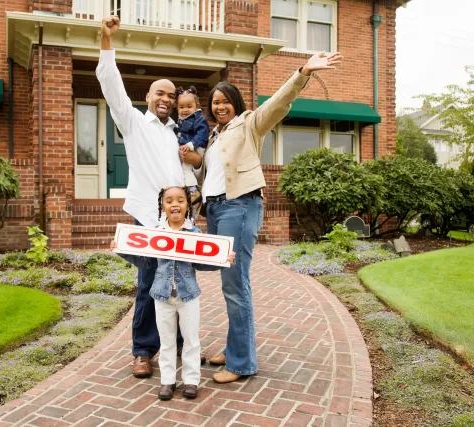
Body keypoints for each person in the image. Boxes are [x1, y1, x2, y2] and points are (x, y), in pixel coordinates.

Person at [182, 51, 344, 384]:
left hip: (239, 206)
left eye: (226, 101)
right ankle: (234, 347)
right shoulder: (214, 136)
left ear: (236, 103)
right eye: (215, 103)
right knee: (229, 283)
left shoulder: (250, 123)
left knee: (235, 284)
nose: (220, 107)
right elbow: (209, 175)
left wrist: (302, 73)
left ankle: (242, 363)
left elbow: (279, 104)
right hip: (215, 209)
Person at [96, 16, 201, 379]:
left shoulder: (178, 133)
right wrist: (106, 40)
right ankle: (143, 350)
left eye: (172, 96)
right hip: (149, 215)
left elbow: (189, 172)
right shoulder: (134, 123)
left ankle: (182, 345)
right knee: (149, 283)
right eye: (160, 93)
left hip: (181, 218)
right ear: (147, 97)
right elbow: (111, 85)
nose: (167, 99)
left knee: (182, 281)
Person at [112, 186, 235, 400]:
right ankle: (167, 382)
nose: (174, 204)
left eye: (180, 200)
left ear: (187, 205)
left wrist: (222, 261)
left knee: (191, 340)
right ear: (163, 206)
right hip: (162, 296)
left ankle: (191, 381)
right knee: (167, 341)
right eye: (169, 201)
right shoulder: (156, 233)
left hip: (188, 296)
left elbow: (202, 263)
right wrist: (121, 249)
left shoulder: (194, 234)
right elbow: (145, 262)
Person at [174, 86, 210, 219]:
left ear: (196, 106)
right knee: (184, 170)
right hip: (189, 147)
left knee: (185, 169)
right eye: (181, 107)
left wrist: (190, 145)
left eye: (189, 106)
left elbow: (202, 135)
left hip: (197, 147)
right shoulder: (180, 120)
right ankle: (191, 191)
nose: (185, 110)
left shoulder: (198, 118)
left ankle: (194, 191)